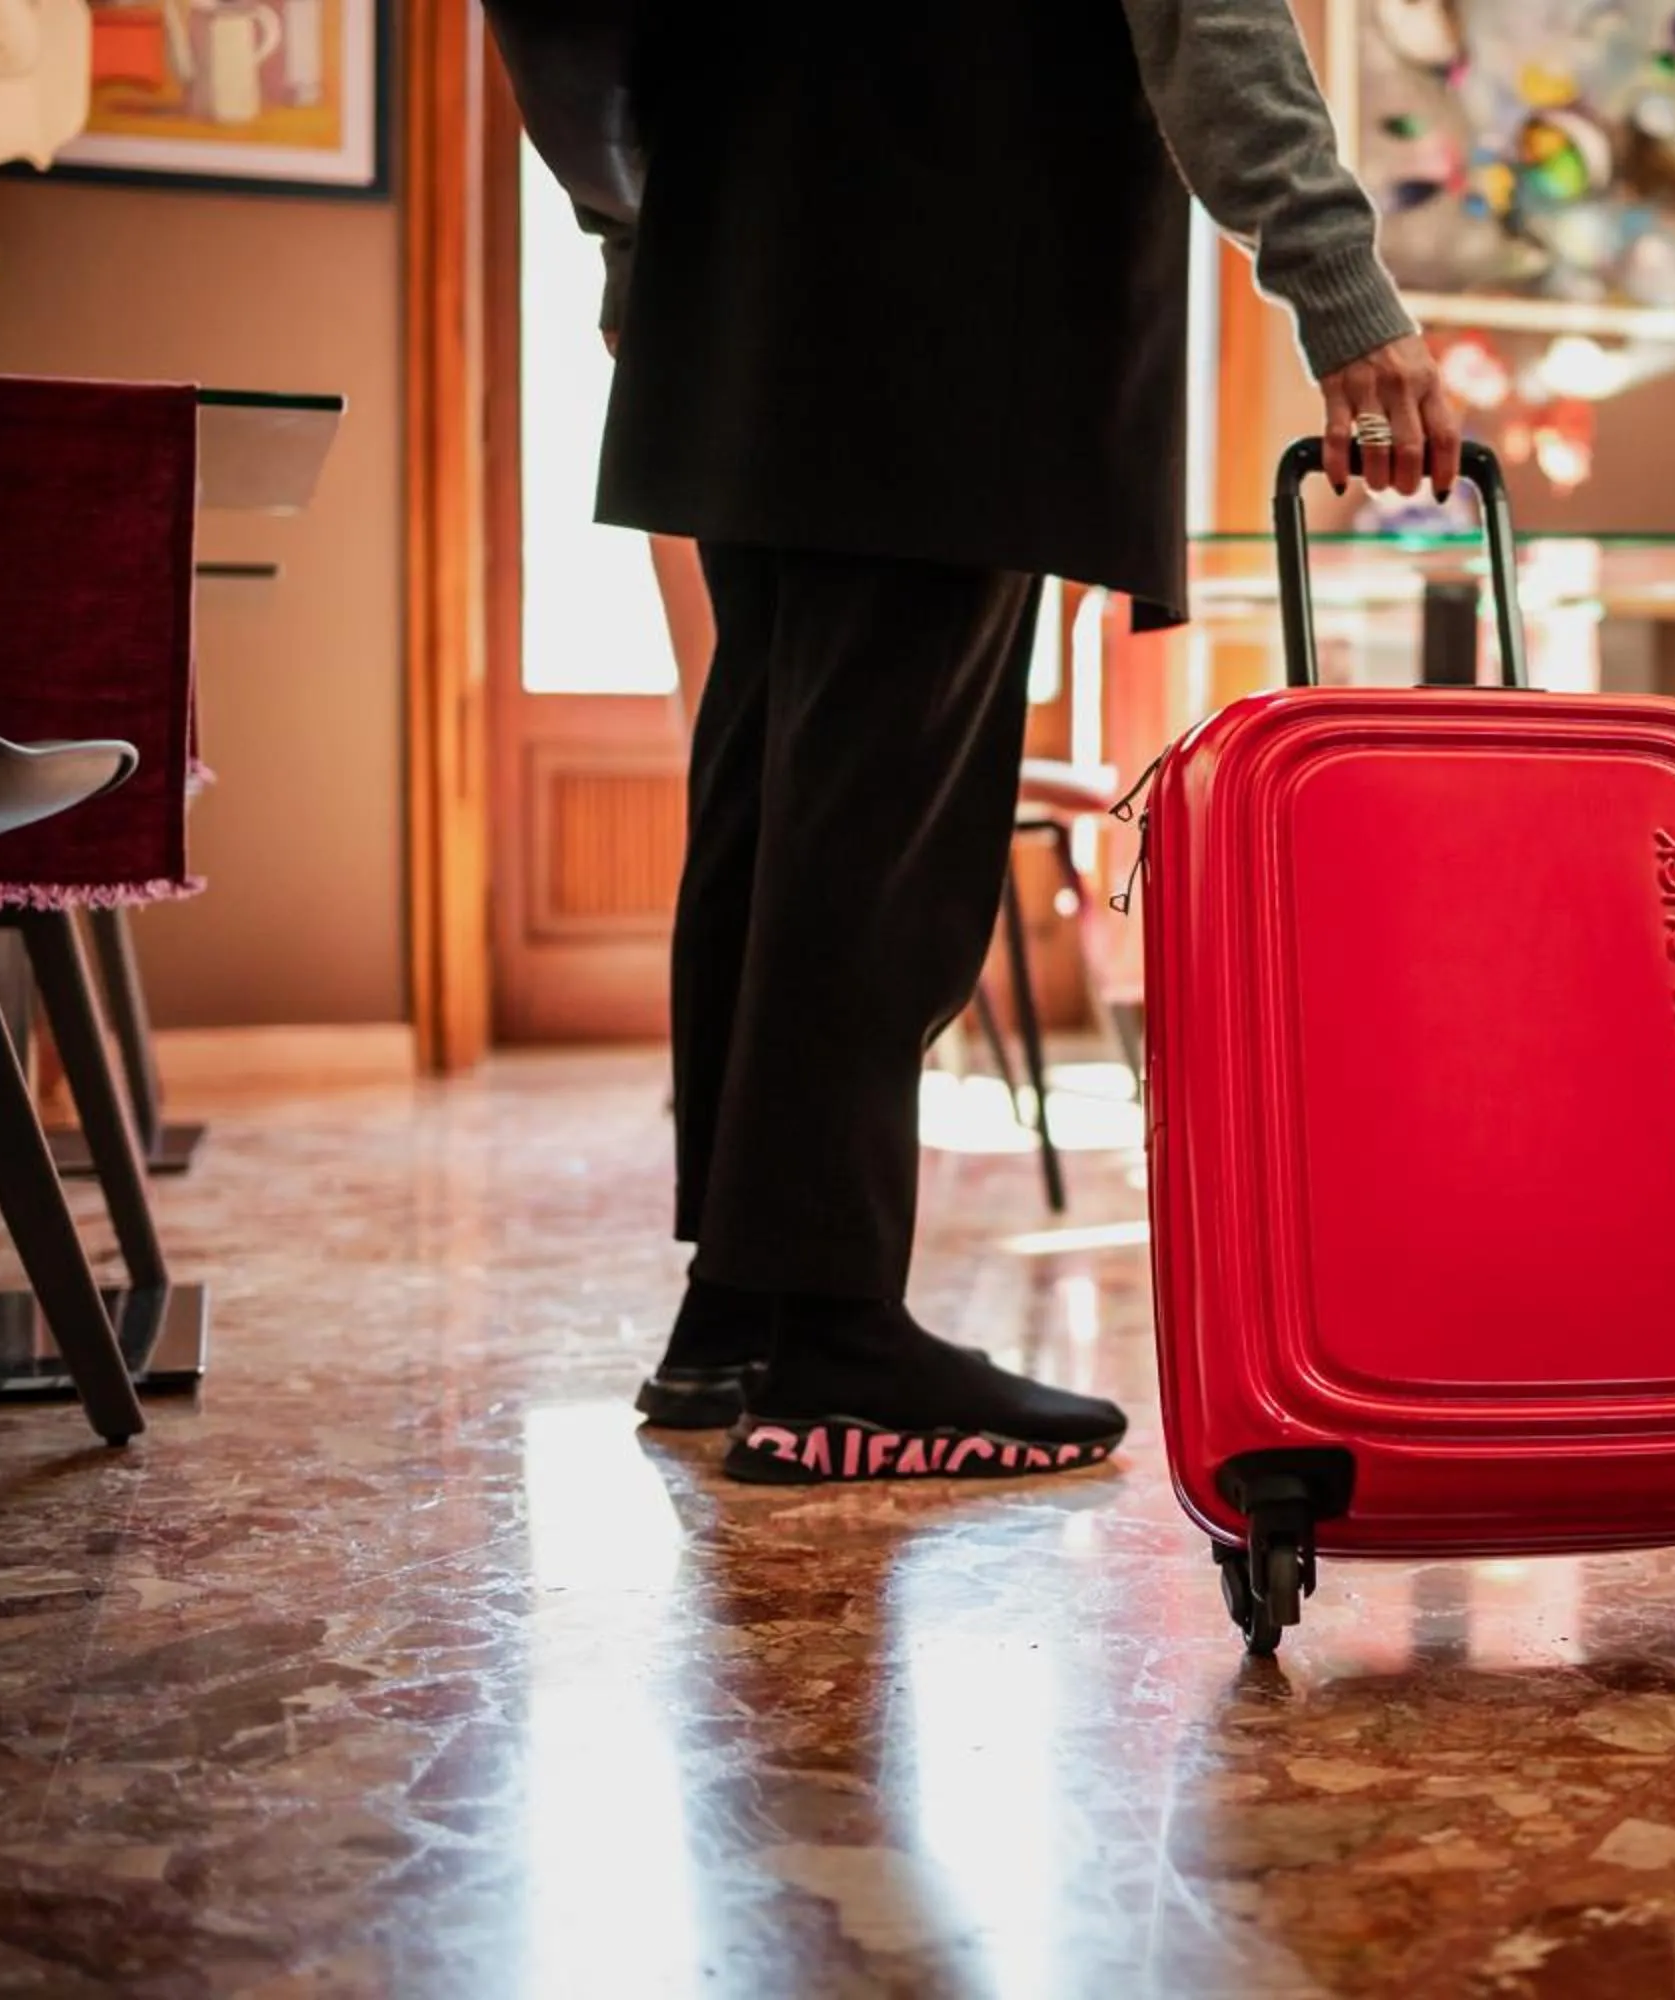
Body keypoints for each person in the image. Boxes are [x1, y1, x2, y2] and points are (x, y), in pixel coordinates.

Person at [490, 2, 1456, 1484]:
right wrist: (1341, 284)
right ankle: (837, 1349)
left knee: (776, 798)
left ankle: (734, 1315)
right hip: (958, 262)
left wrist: (636, 236)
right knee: (876, 835)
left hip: (734, 268)